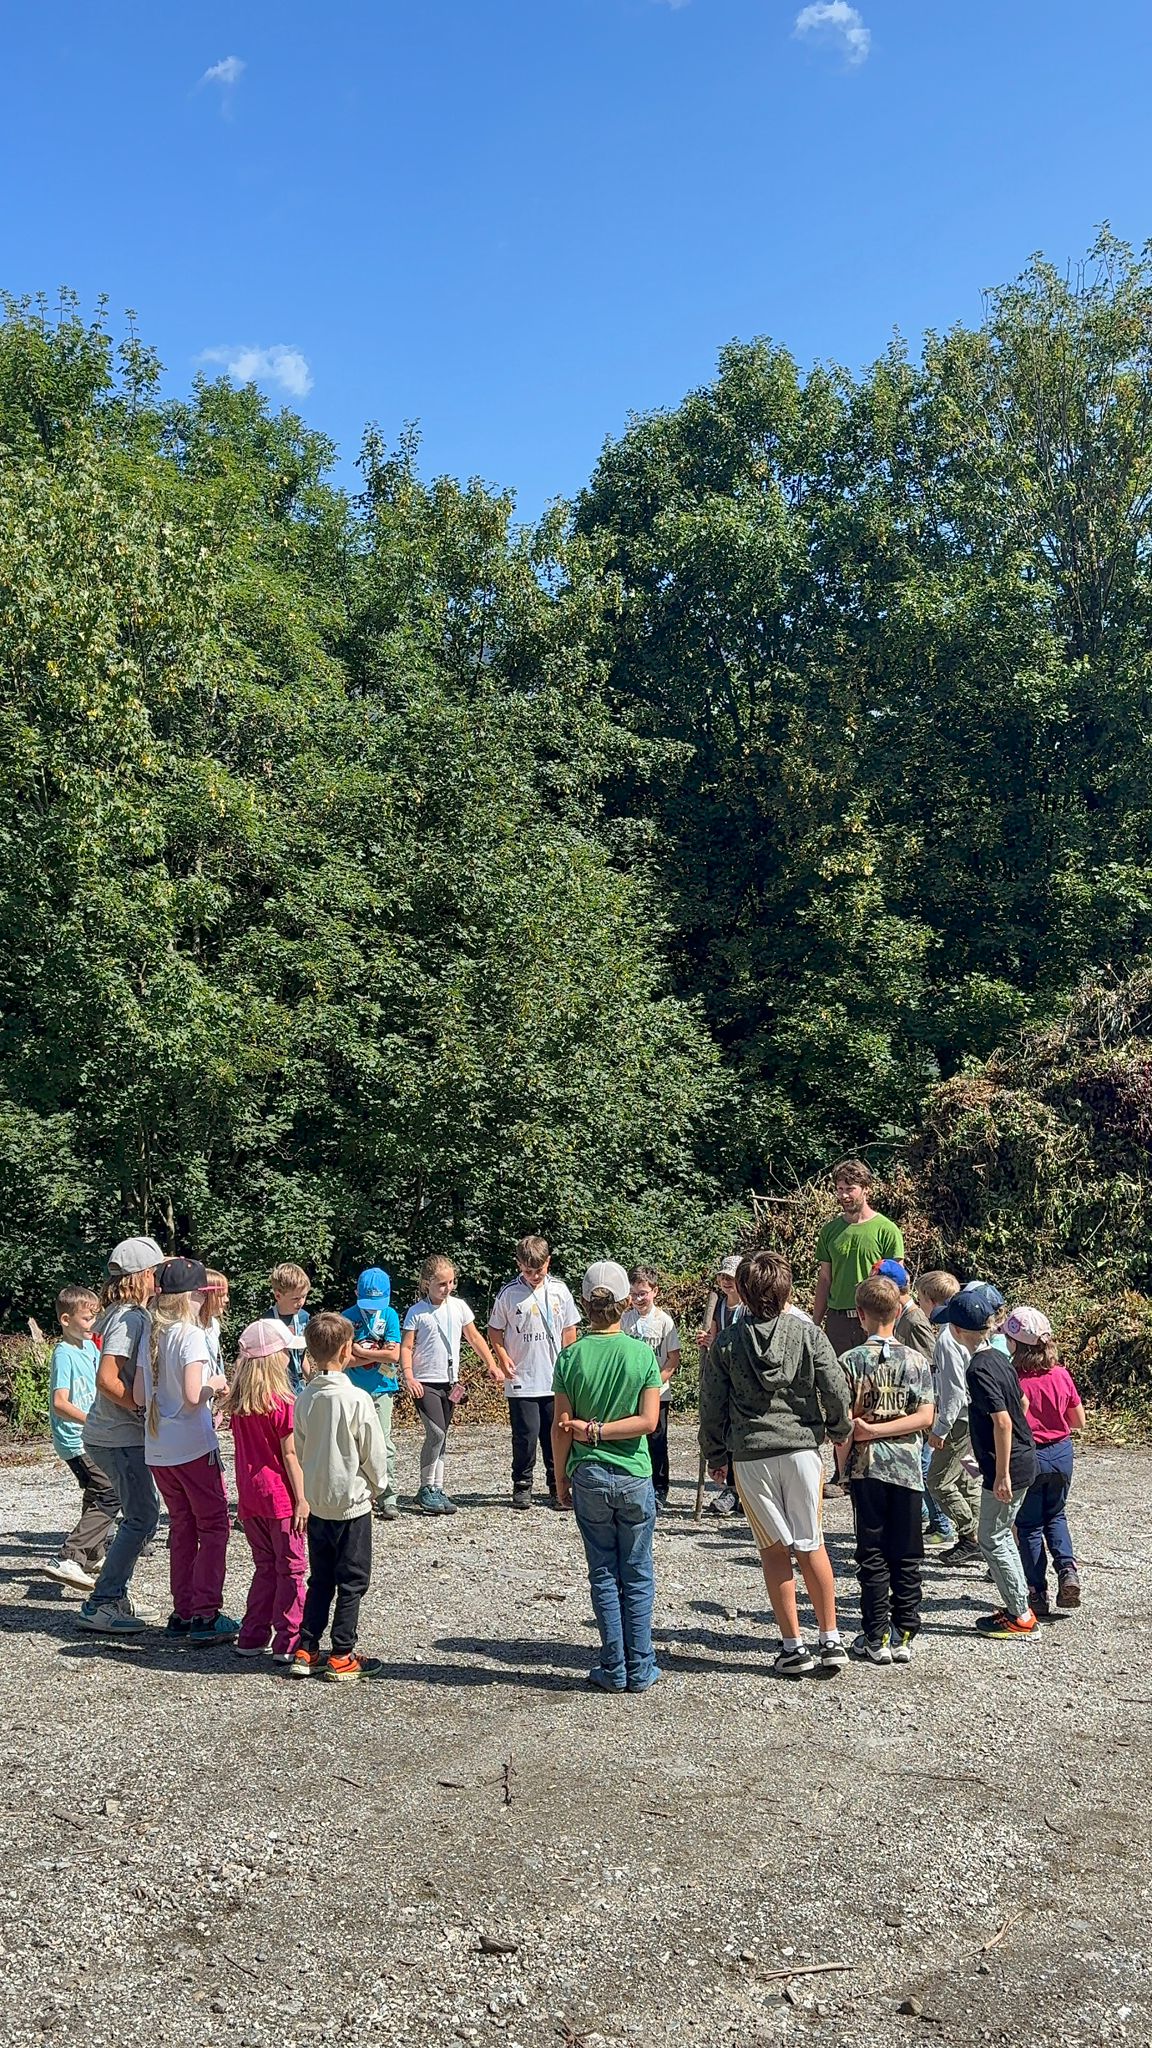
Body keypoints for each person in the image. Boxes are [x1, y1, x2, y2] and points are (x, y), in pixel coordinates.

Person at [699, 1252, 852, 1678]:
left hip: (752, 1454)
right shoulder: (808, 1334)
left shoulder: (728, 1343)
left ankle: (792, 1646)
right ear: (787, 1291)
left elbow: (711, 1403)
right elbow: (835, 1386)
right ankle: (831, 1637)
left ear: (743, 1292)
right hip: (802, 1449)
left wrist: (715, 1454)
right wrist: (838, 1428)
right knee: (811, 1543)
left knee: (773, 1549)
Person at [552, 1261, 663, 1693]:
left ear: (584, 1304)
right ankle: (641, 1664)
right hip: (633, 1473)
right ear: (625, 1303)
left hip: (589, 1474)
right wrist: (604, 1432)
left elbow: (561, 1426)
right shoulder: (641, 1355)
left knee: (602, 1570)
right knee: (637, 1570)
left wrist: (561, 1476)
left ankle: (613, 1666)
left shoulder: (571, 1356)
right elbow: (649, 1422)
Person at [134, 1257, 237, 1645]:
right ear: (193, 1295)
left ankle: (183, 1611)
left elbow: (139, 1395)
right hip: (192, 1445)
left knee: (182, 1526)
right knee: (213, 1526)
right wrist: (217, 1384)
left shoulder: (152, 1333)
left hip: (158, 1447)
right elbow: (195, 1396)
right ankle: (206, 1614)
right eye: (202, 1294)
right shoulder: (190, 1335)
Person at [931, 1282, 1038, 1638]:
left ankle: (1020, 1615)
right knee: (1000, 1534)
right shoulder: (998, 1358)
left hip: (1008, 1467)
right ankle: (1020, 1605)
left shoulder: (977, 1369)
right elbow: (1022, 1403)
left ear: (958, 1330)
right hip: (1022, 1456)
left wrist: (1002, 1472)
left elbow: (1002, 1421)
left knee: (991, 1537)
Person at [840, 1275, 936, 1666]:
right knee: (908, 1553)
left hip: (867, 1469)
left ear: (860, 1314)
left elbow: (845, 1425)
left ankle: (875, 1633)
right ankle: (904, 1632)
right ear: (898, 1311)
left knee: (872, 1553)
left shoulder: (850, 1361)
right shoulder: (917, 1361)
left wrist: (844, 1466)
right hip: (908, 1469)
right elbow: (926, 1416)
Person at [291, 1311, 389, 1681]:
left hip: (318, 1501)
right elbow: (373, 1451)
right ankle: (343, 1653)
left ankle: (307, 1647)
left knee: (320, 1579)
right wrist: (379, 1486)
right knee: (352, 1580)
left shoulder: (305, 1398)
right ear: (348, 1350)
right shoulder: (357, 1399)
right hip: (351, 1503)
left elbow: (301, 1448)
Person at [77, 1237, 166, 1637]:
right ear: (142, 1275)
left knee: (140, 1515)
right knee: (142, 1517)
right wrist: (140, 1408)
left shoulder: (119, 1313)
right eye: (156, 1271)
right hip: (118, 1435)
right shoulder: (131, 1318)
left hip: (112, 1434)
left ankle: (115, 1595)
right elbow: (106, 1378)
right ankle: (103, 1602)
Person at [224, 1318, 310, 1662]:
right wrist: (303, 1498)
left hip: (250, 1496)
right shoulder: (283, 1403)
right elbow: (290, 1455)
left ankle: (252, 1636)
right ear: (276, 1359)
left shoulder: (239, 1405)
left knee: (264, 1566)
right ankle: (289, 1640)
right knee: (292, 1568)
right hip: (281, 1497)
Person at [400, 1256, 502, 1515]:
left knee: (443, 1434)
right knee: (435, 1433)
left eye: (451, 1282)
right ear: (427, 1283)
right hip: (425, 1383)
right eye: (442, 1284)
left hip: (450, 1382)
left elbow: (474, 1337)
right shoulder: (417, 1312)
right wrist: (409, 1376)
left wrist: (491, 1363)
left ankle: (438, 1487)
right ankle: (425, 1488)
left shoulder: (459, 1307)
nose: (448, 1288)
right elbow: (407, 1346)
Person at [1002, 1306, 1085, 1617]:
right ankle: (1068, 1571)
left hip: (1031, 1456)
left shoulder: (1013, 1379)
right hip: (1061, 1452)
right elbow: (1078, 1421)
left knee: (1029, 1526)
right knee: (1057, 1515)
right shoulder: (1061, 1374)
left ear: (1015, 1344)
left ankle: (1036, 1592)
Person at [488, 1235, 581, 1510]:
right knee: (525, 1437)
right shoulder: (508, 1293)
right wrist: (502, 1356)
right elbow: (495, 1329)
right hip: (522, 1379)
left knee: (556, 1435)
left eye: (539, 1270)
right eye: (528, 1271)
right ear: (519, 1265)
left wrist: (569, 1363)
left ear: (548, 1262)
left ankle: (558, 1486)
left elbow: (569, 1330)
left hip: (554, 1379)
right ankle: (522, 1485)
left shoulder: (560, 1290)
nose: (534, 1276)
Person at [43, 1285, 120, 1593]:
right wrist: (92, 1420)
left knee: (96, 1492)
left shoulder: (90, 1347)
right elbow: (59, 1403)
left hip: (93, 1436)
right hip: (75, 1440)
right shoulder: (64, 1354)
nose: (93, 1324)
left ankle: (92, 1554)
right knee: (110, 1492)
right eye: (88, 1318)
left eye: (95, 1317)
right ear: (66, 1320)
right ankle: (69, 1556)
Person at [873, 1259, 953, 1546]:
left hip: (923, 1403)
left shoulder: (915, 1319)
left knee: (923, 1465)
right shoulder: (901, 1316)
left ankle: (941, 1523)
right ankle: (921, 1517)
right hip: (908, 1402)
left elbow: (928, 1363)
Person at [918, 1271, 983, 1566]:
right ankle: (987, 1538)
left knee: (938, 1481)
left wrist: (940, 1429)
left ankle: (971, 1535)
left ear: (931, 1301)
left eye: (921, 1299)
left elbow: (955, 1391)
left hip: (958, 1422)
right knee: (969, 1479)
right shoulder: (962, 1331)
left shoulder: (946, 1339)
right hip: (974, 1417)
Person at [812, 1160, 904, 1359]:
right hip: (838, 1321)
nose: (844, 1195)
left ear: (866, 1189)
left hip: (875, 1317)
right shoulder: (829, 1231)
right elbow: (825, 1279)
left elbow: (897, 1282)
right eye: (840, 1189)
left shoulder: (887, 1230)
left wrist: (896, 1320)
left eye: (850, 1189)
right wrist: (815, 1324)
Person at [342, 1267, 402, 1522]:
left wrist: (362, 1352)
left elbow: (394, 1355)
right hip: (352, 1389)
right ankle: (360, 1495)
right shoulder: (346, 1318)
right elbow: (344, 1359)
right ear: (357, 1293)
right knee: (353, 1444)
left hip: (382, 1389)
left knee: (383, 1443)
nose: (371, 1308)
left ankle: (388, 1496)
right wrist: (374, 1355)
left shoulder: (389, 1315)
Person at [622, 1267, 681, 1511]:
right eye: (633, 1294)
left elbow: (673, 1358)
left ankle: (660, 1486)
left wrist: (655, 1384)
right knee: (632, 1438)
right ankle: (636, 1483)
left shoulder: (664, 1321)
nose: (638, 1299)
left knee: (657, 1441)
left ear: (655, 1291)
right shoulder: (625, 1320)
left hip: (658, 1393)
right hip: (631, 1392)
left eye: (643, 1293)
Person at [696, 1256, 745, 1516]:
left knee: (739, 1430)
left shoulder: (747, 1308)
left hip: (741, 1376)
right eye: (723, 1277)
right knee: (723, 1427)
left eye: (731, 1277)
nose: (727, 1282)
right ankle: (730, 1488)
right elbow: (714, 1338)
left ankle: (741, 1490)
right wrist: (707, 1340)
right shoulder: (718, 1305)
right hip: (721, 1375)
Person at [269, 1263, 312, 1393]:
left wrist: (312, 1379)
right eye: (295, 1298)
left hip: (299, 1384)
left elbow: (301, 1355)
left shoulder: (304, 1317)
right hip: (277, 1386)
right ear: (278, 1296)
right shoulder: (267, 1321)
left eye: (304, 1296)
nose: (301, 1302)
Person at [200, 1270, 230, 1376]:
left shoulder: (214, 1324)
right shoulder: (192, 1329)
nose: (226, 1300)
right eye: (221, 1295)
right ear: (206, 1296)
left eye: (226, 1295)